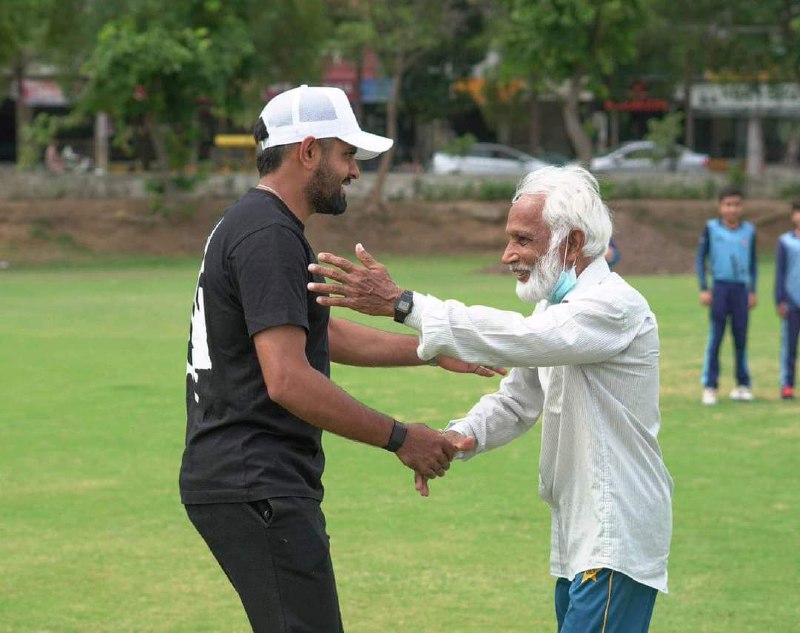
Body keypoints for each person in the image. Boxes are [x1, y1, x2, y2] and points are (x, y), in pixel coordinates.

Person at [179, 84, 494, 633]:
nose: (354, 171)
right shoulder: (268, 235)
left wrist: (429, 350)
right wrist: (402, 437)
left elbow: (323, 336)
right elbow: (286, 378)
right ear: (307, 151)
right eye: (347, 155)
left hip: (247, 479)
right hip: (257, 480)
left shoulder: (257, 224)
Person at [308, 165, 673, 633]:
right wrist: (462, 435)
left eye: (524, 239)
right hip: (580, 529)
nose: (508, 255)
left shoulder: (612, 306)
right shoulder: (557, 308)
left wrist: (405, 305)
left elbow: (519, 337)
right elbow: (518, 400)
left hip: (614, 530)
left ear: (573, 243)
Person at [695, 185, 757, 405]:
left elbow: (753, 263)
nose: (732, 209)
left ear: (742, 206)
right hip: (720, 289)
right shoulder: (711, 228)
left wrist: (753, 290)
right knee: (716, 338)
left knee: (741, 339)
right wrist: (704, 287)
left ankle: (743, 385)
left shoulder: (749, 231)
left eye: (736, 204)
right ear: (720, 207)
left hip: (741, 290)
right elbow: (700, 259)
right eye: (728, 205)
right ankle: (710, 386)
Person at [775, 199, 800, 400]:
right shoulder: (785, 241)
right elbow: (780, 272)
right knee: (789, 345)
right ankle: (787, 385)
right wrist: (780, 300)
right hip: (792, 301)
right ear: (793, 215)